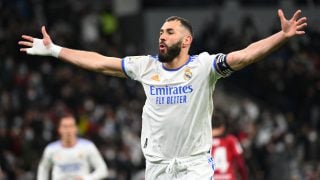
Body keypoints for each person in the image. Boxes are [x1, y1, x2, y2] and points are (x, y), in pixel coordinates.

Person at [19, 9, 307, 180]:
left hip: (193, 165)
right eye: (160, 31)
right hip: (157, 167)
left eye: (169, 32)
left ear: (186, 40)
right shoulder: (145, 66)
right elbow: (99, 62)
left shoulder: (205, 66)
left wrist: (281, 37)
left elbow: (244, 56)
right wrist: (56, 50)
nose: (162, 36)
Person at [37, 114, 108, 180]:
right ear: (59, 129)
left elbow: (103, 170)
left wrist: (86, 178)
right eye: (65, 127)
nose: (68, 130)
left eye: (71, 126)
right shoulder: (51, 149)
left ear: (75, 128)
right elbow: (43, 169)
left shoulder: (88, 147)